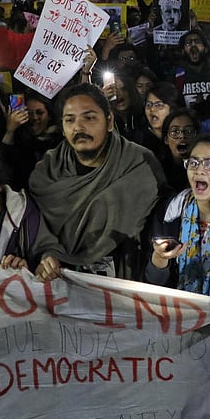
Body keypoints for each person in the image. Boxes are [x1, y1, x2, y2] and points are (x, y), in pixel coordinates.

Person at [28, 83, 166, 281]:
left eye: (89, 118)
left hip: (125, 281)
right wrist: (47, 255)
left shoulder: (140, 164)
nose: (78, 127)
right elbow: (36, 230)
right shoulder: (47, 172)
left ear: (109, 121)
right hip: (62, 281)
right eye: (70, 120)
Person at [144, 135, 210, 296]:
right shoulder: (170, 213)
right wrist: (159, 259)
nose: (199, 170)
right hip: (178, 307)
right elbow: (153, 283)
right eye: (193, 163)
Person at [133, 82, 185, 161]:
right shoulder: (138, 139)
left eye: (159, 105)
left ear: (173, 109)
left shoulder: (185, 136)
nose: (152, 109)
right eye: (149, 105)